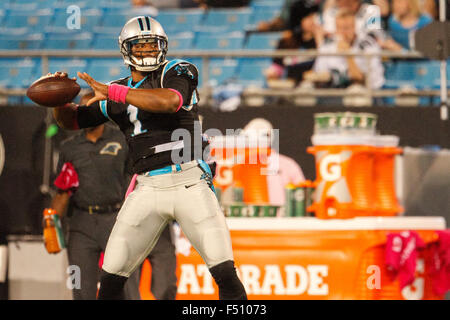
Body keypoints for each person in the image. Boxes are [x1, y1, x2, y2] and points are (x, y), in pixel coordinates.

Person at [51, 16, 247, 300]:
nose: (147, 53)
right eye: (139, 48)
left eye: (151, 46)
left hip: (189, 182)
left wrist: (115, 92)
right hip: (147, 187)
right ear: (126, 51)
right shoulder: (116, 91)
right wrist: (58, 101)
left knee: (225, 270)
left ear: (163, 47)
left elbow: (170, 101)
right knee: (111, 278)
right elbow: (73, 121)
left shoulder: (177, 70)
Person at [43, 93, 141, 300]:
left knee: (129, 286)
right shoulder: (69, 147)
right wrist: (51, 221)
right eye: (82, 109)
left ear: (101, 111)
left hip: (116, 219)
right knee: (80, 286)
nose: (85, 113)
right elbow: (63, 188)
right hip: (81, 224)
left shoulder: (122, 139)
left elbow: (137, 181)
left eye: (90, 109)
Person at [305, 8, 385, 90]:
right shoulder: (327, 45)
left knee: (355, 90)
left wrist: (348, 55)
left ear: (354, 27)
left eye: (346, 28)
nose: (343, 33)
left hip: (366, 91)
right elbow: (318, 72)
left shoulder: (368, 45)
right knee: (305, 89)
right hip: (332, 92)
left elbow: (362, 80)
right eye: (340, 28)